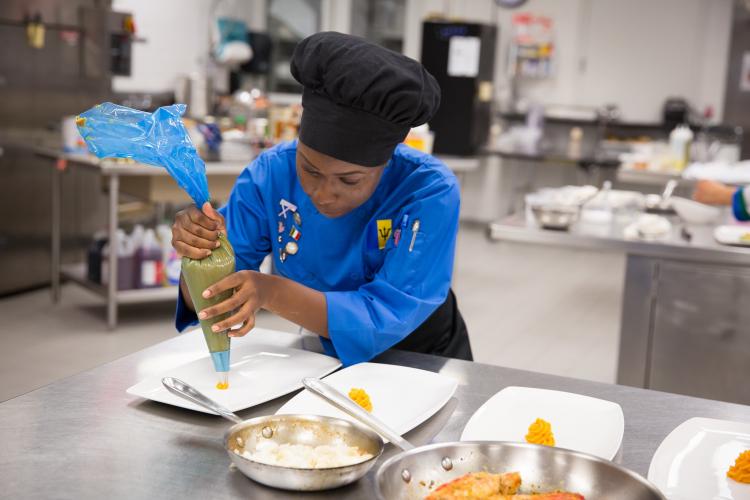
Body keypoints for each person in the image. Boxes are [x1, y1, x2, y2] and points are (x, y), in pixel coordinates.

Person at [171, 32, 472, 366]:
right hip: (322, 356)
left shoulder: (427, 191)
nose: (322, 194)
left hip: (422, 357)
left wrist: (271, 291)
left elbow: (386, 315)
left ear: (385, 164)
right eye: (310, 170)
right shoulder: (272, 174)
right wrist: (196, 256)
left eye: (349, 180)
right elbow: (218, 289)